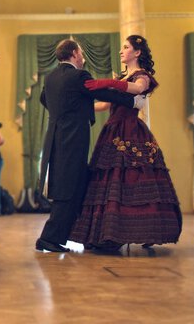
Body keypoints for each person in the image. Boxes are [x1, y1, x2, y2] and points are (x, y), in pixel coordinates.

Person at [70, 35, 182, 249]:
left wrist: (111, 83)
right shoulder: (123, 76)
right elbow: (104, 105)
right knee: (109, 180)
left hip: (131, 130)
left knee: (131, 178)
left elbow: (139, 88)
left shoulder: (142, 76)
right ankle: (106, 234)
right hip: (112, 129)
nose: (121, 51)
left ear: (137, 52)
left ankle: (129, 232)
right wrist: (78, 107)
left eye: (126, 47)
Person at [35, 39, 144, 253]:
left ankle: (82, 234)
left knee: (78, 185)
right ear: (75, 53)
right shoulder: (78, 76)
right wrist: (132, 102)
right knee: (68, 189)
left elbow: (43, 98)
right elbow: (102, 93)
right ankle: (48, 238)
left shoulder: (51, 77)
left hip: (56, 138)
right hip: (72, 139)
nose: (83, 57)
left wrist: (63, 112)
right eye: (82, 53)